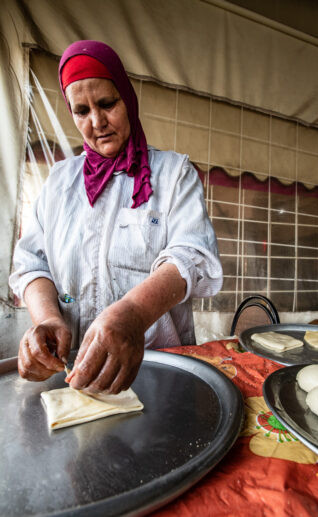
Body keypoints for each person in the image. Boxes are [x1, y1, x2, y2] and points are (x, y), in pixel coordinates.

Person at [9, 40, 222, 395]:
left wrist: (134, 315)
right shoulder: (59, 184)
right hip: (75, 372)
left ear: (127, 97)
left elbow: (191, 256)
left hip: (161, 370)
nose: (97, 122)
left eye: (107, 103)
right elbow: (32, 263)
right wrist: (47, 318)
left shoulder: (173, 175)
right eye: (81, 111)